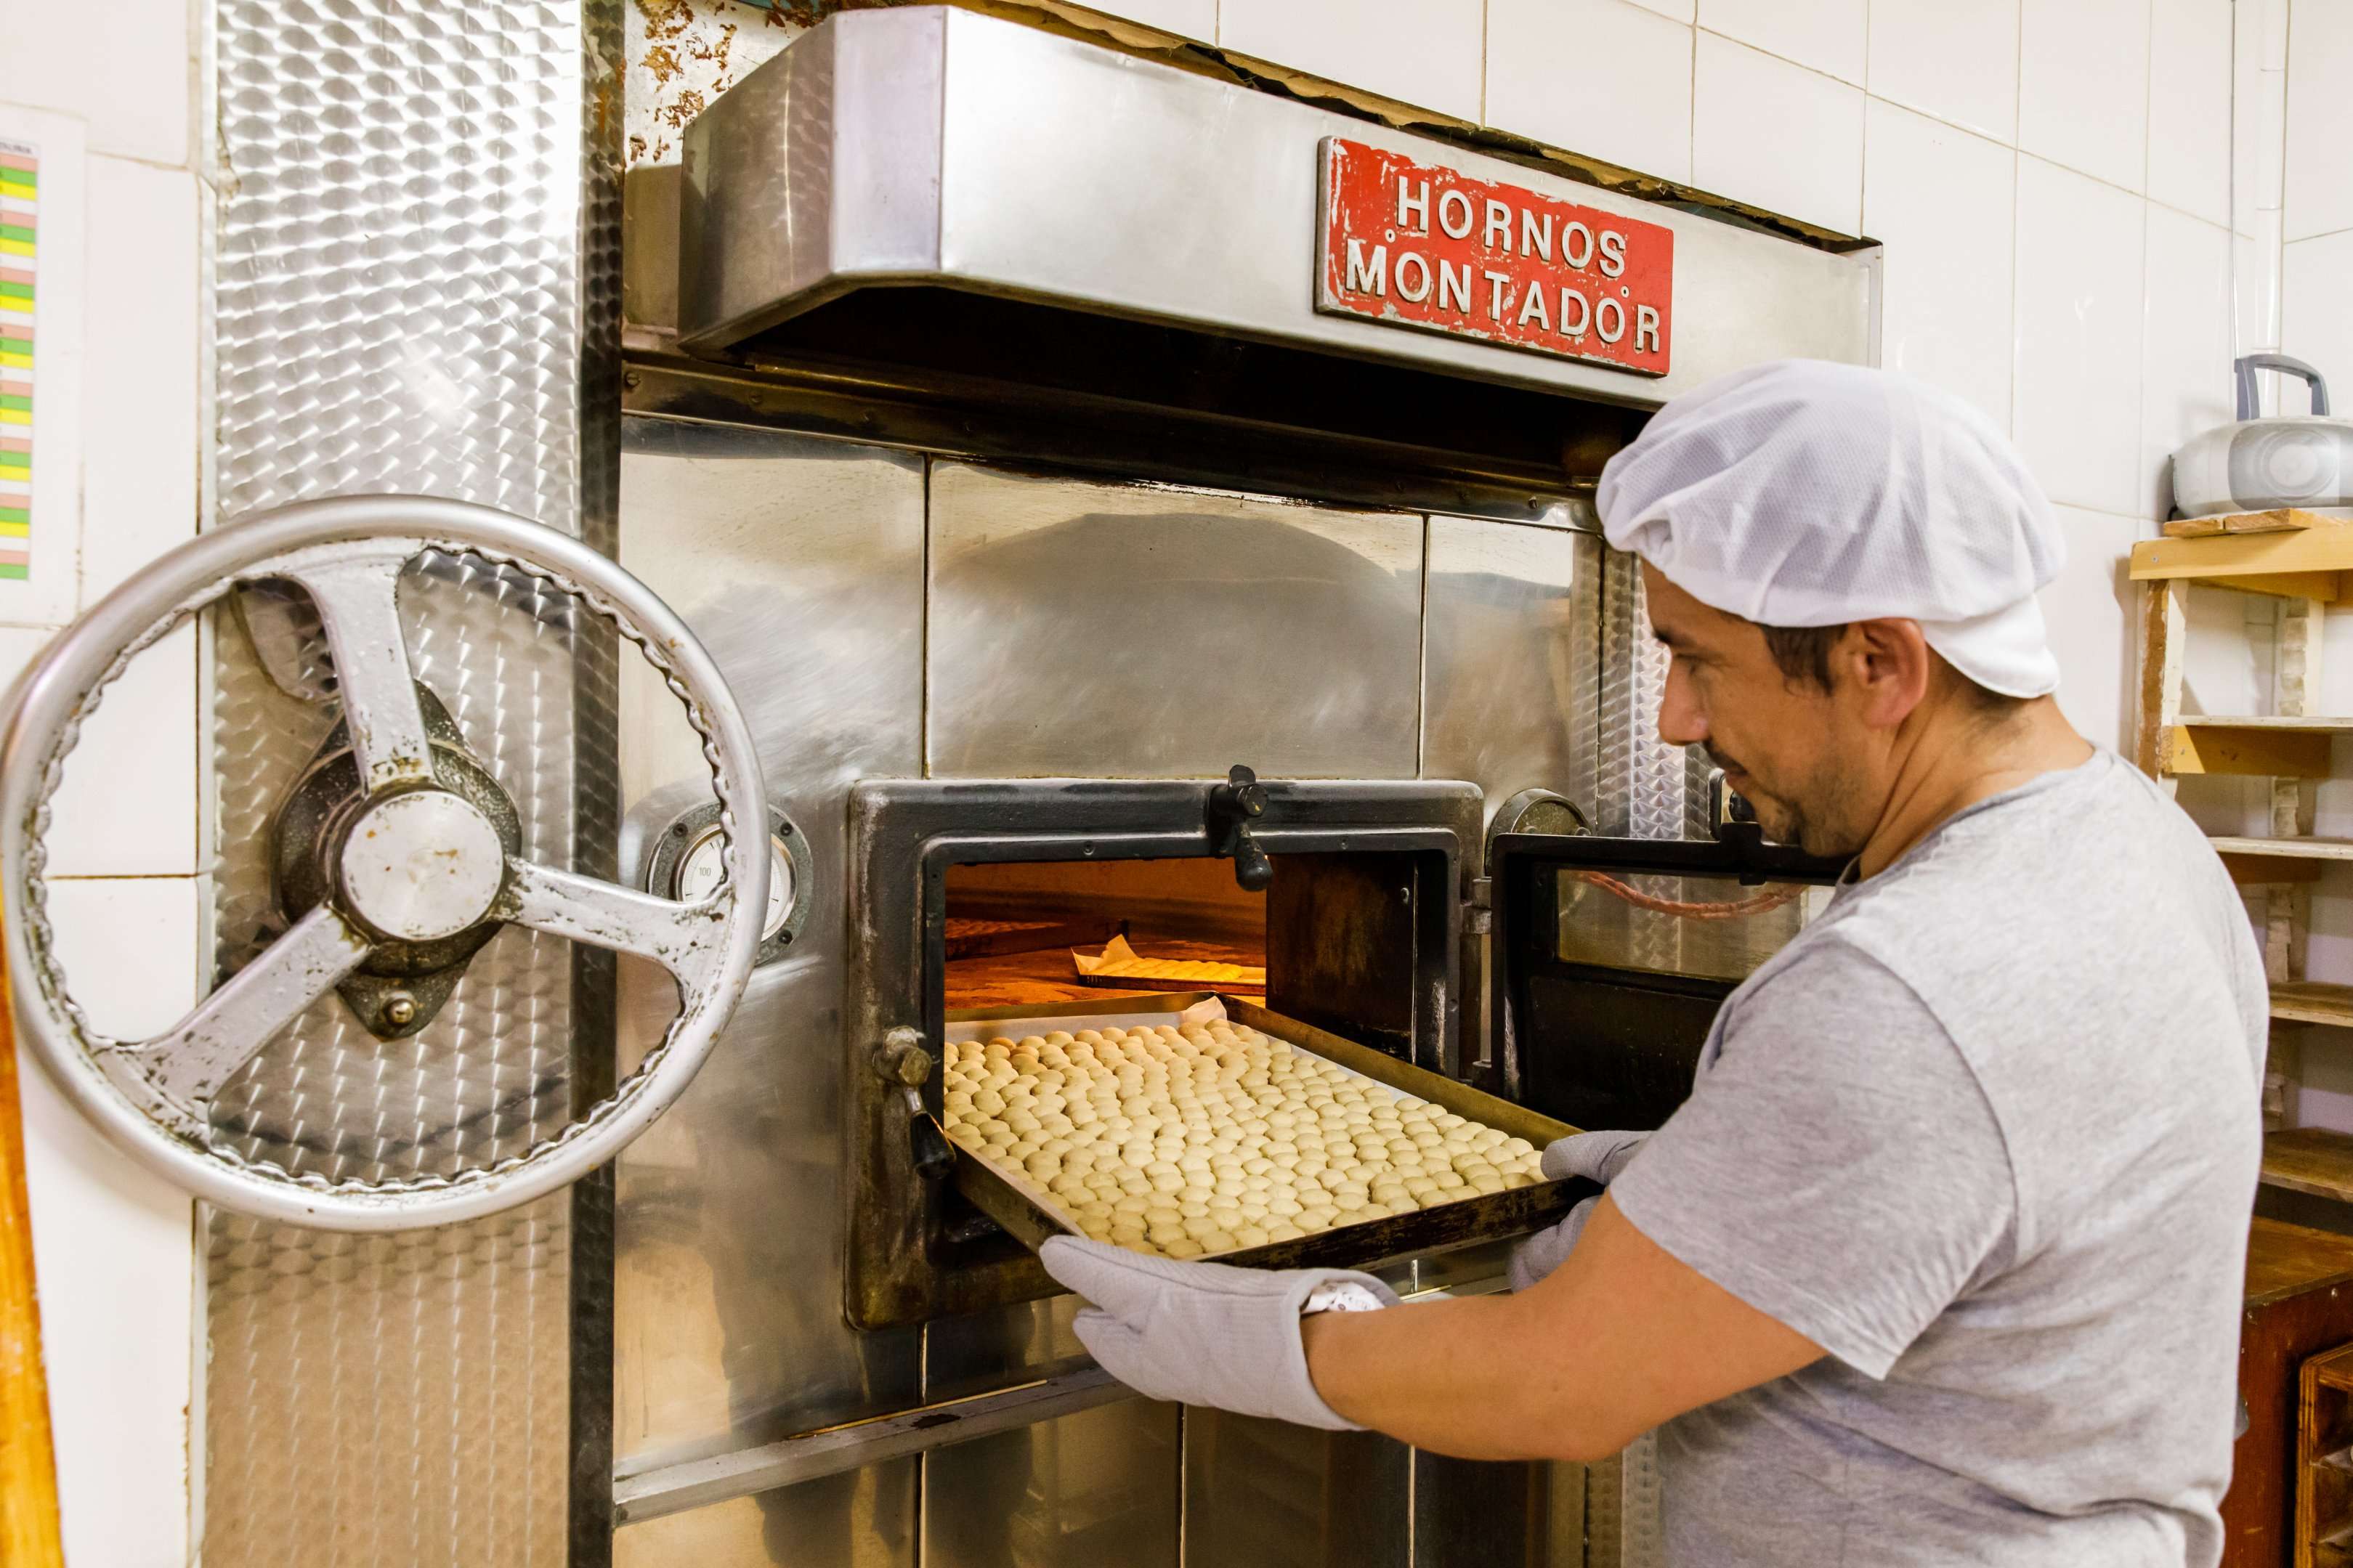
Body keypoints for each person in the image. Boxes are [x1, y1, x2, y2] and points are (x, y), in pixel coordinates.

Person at [1043, 359, 2267, 1567]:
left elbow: (1559, 1385)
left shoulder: (1911, 990)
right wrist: (1705, 1179)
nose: (1676, 718)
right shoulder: (2147, 846)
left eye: (1700, 659)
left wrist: (1275, 1340)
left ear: (1881, 663)